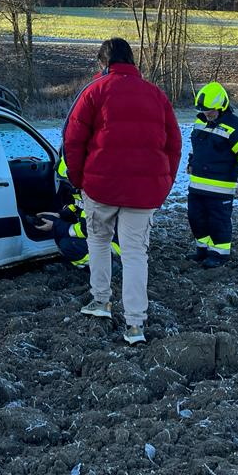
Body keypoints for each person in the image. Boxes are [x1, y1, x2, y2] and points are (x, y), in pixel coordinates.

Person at [62, 37, 182, 345]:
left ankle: (101, 301)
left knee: (99, 242)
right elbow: (174, 145)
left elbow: (73, 142)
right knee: (134, 254)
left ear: (104, 63)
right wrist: (162, 185)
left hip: (100, 187)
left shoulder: (94, 92)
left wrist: (79, 180)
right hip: (143, 193)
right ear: (132, 61)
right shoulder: (156, 95)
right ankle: (134, 325)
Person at [186, 81, 238, 268]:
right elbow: (197, 147)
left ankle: (219, 254)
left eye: (210, 111)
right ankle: (203, 250)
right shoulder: (200, 121)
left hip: (220, 187)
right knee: (196, 219)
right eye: (203, 111)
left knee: (218, 222)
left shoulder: (236, 126)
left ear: (221, 107)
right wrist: (191, 163)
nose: (206, 115)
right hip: (197, 185)